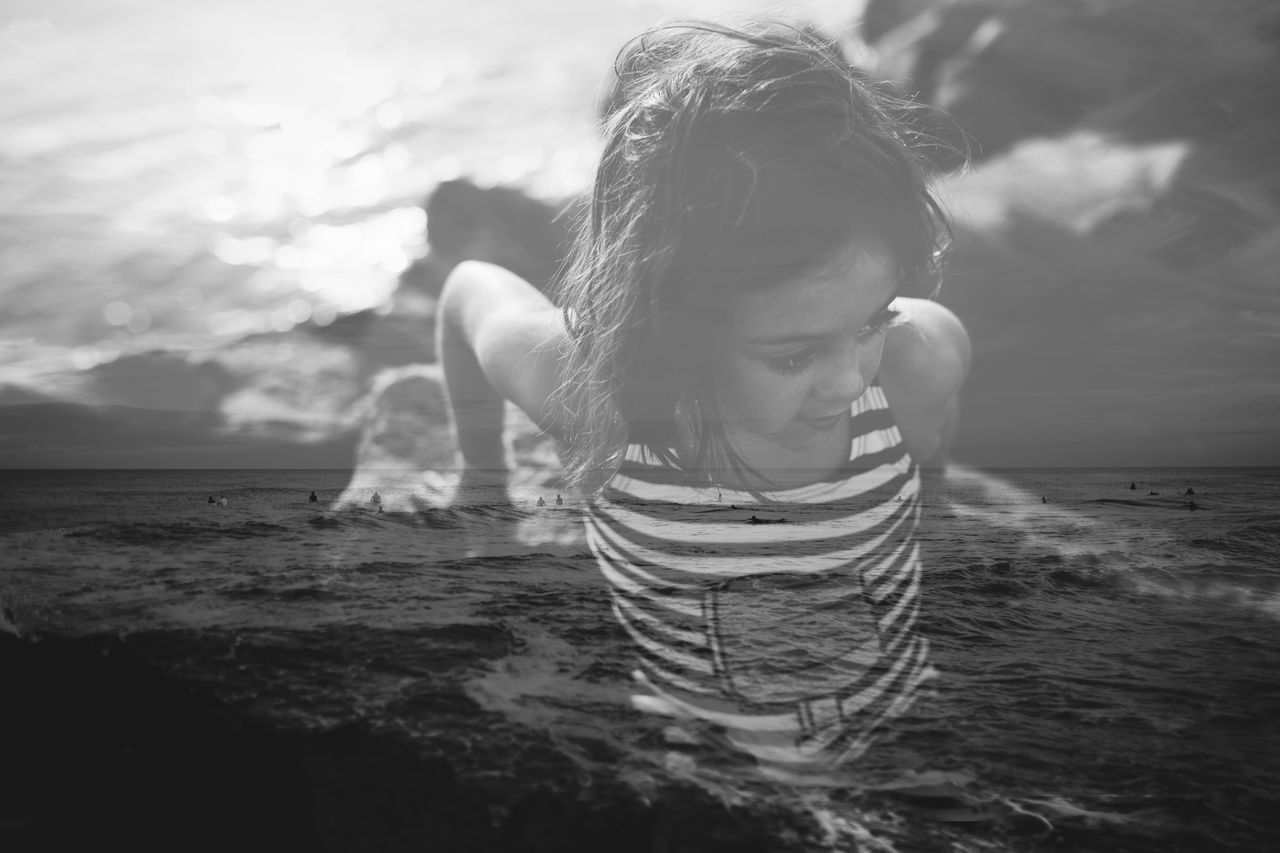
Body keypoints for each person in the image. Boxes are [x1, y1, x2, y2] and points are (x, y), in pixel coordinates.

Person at [438, 20, 969, 777]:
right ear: (674, 327)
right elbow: (468, 291)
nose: (852, 379)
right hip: (704, 778)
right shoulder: (601, 407)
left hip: (902, 752)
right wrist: (480, 481)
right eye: (793, 354)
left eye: (871, 320)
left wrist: (935, 493)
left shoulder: (910, 366)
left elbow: (944, 377)